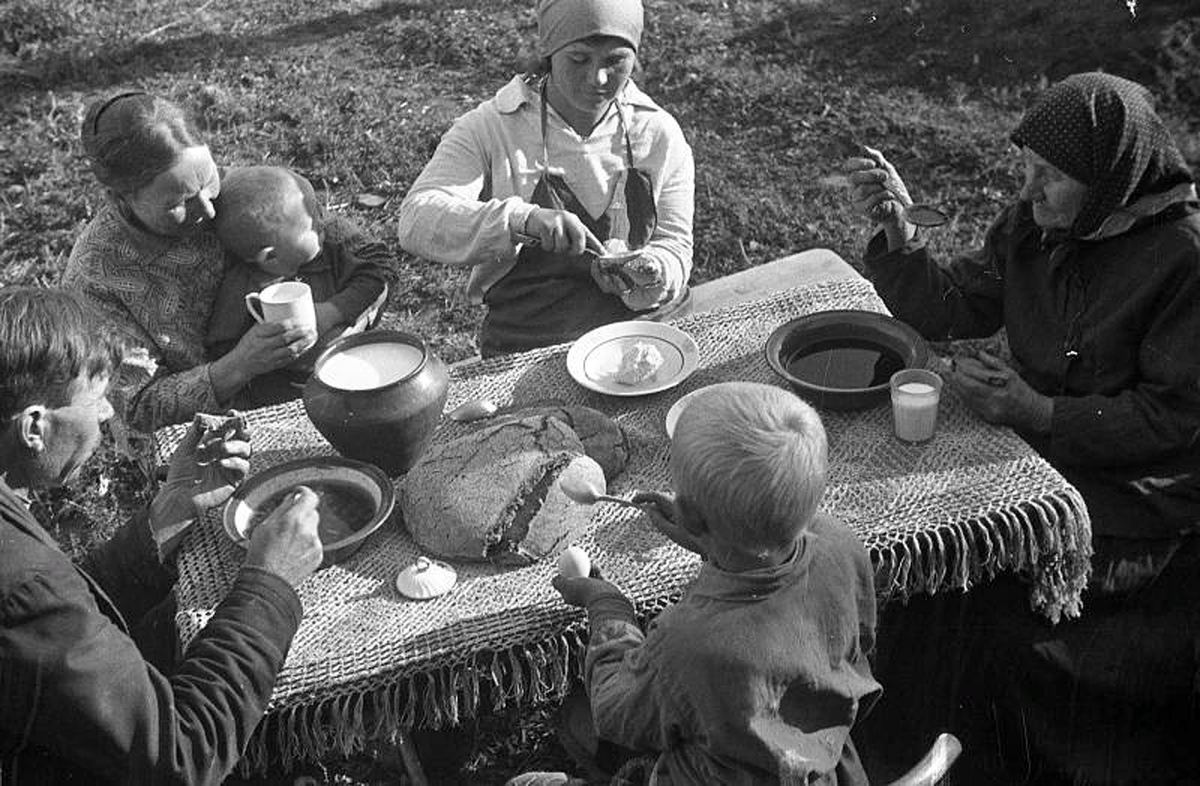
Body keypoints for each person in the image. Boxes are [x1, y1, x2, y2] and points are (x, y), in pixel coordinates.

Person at [844, 72, 1200, 783]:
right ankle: (892, 753)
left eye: (1052, 176)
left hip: (1134, 499)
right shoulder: (1039, 225)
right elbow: (955, 308)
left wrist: (1040, 413)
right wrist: (901, 235)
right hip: (1036, 461)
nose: (1030, 191)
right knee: (926, 566)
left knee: (998, 625)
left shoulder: (1183, 260)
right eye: (1027, 169)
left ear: (1113, 181)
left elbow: (1175, 420)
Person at [0, 286, 326, 784]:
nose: (108, 415)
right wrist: (269, 583)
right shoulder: (23, 585)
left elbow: (60, 620)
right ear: (34, 427)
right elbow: (182, 753)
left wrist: (168, 514)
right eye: (98, 399)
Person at [511, 382, 880, 785]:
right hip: (821, 768)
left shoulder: (689, 641)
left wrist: (607, 607)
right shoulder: (842, 546)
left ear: (689, 514)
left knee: (557, 745)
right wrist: (709, 542)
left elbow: (615, 711)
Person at [397, 0, 694, 358]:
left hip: (643, 331)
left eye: (615, 61)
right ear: (549, 51)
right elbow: (417, 219)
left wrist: (654, 271)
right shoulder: (492, 128)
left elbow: (675, 244)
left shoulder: (656, 132)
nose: (597, 78)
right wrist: (522, 220)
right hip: (533, 337)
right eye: (579, 59)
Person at [62, 91, 319, 433]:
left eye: (209, 179)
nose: (209, 209)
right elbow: (138, 408)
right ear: (120, 198)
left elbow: (344, 245)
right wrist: (239, 366)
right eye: (178, 202)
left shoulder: (233, 194)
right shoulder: (96, 278)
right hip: (194, 434)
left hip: (289, 378)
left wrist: (337, 310)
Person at [206, 165, 393, 405]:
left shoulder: (330, 256)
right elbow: (221, 348)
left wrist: (332, 312)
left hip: (352, 372)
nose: (322, 225)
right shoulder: (241, 289)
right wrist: (255, 352)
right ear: (270, 256)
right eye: (311, 226)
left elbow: (373, 280)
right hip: (280, 396)